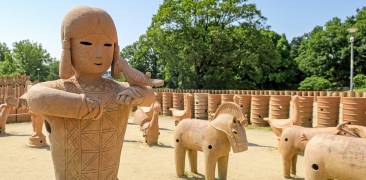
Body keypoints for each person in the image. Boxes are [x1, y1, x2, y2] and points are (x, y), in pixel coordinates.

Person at [26, 6, 161, 180]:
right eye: (87, 43)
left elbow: (150, 95)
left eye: (107, 45)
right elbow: (35, 96)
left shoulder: (117, 89)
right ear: (68, 46)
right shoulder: (60, 88)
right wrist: (81, 106)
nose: (99, 53)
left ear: (115, 49)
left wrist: (138, 93)